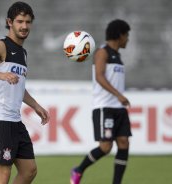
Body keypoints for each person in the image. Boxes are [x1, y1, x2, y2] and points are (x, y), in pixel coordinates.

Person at [0, 2, 50, 184]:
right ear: (9, 22)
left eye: (28, 22)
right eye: (20, 21)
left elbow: (18, 86)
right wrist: (1, 75)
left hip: (14, 120)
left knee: (29, 170)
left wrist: (36, 105)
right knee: (3, 174)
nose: (24, 26)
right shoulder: (0, 46)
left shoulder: (23, 53)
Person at [70, 19, 132, 184]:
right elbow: (99, 77)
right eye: (127, 35)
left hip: (119, 108)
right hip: (105, 107)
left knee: (124, 142)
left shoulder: (118, 56)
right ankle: (78, 170)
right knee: (106, 147)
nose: (128, 39)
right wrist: (119, 95)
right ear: (120, 35)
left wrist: (120, 99)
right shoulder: (102, 52)